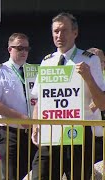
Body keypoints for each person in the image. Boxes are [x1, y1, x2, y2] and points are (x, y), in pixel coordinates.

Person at [31, 12, 105, 180]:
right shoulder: (47, 61)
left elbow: (101, 103)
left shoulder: (90, 60)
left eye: (64, 31)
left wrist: (88, 78)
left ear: (75, 33)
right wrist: (35, 124)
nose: (59, 35)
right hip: (51, 132)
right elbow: (39, 99)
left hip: (78, 134)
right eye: (56, 31)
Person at [0, 33, 36, 180]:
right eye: (20, 48)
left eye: (26, 49)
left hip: (34, 133)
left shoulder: (35, 71)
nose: (24, 52)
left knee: (36, 175)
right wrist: (20, 117)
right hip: (10, 133)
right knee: (12, 175)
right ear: (10, 49)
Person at [87, 47, 105, 163]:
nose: (101, 65)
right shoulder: (79, 80)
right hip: (88, 135)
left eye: (102, 61)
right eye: (97, 62)